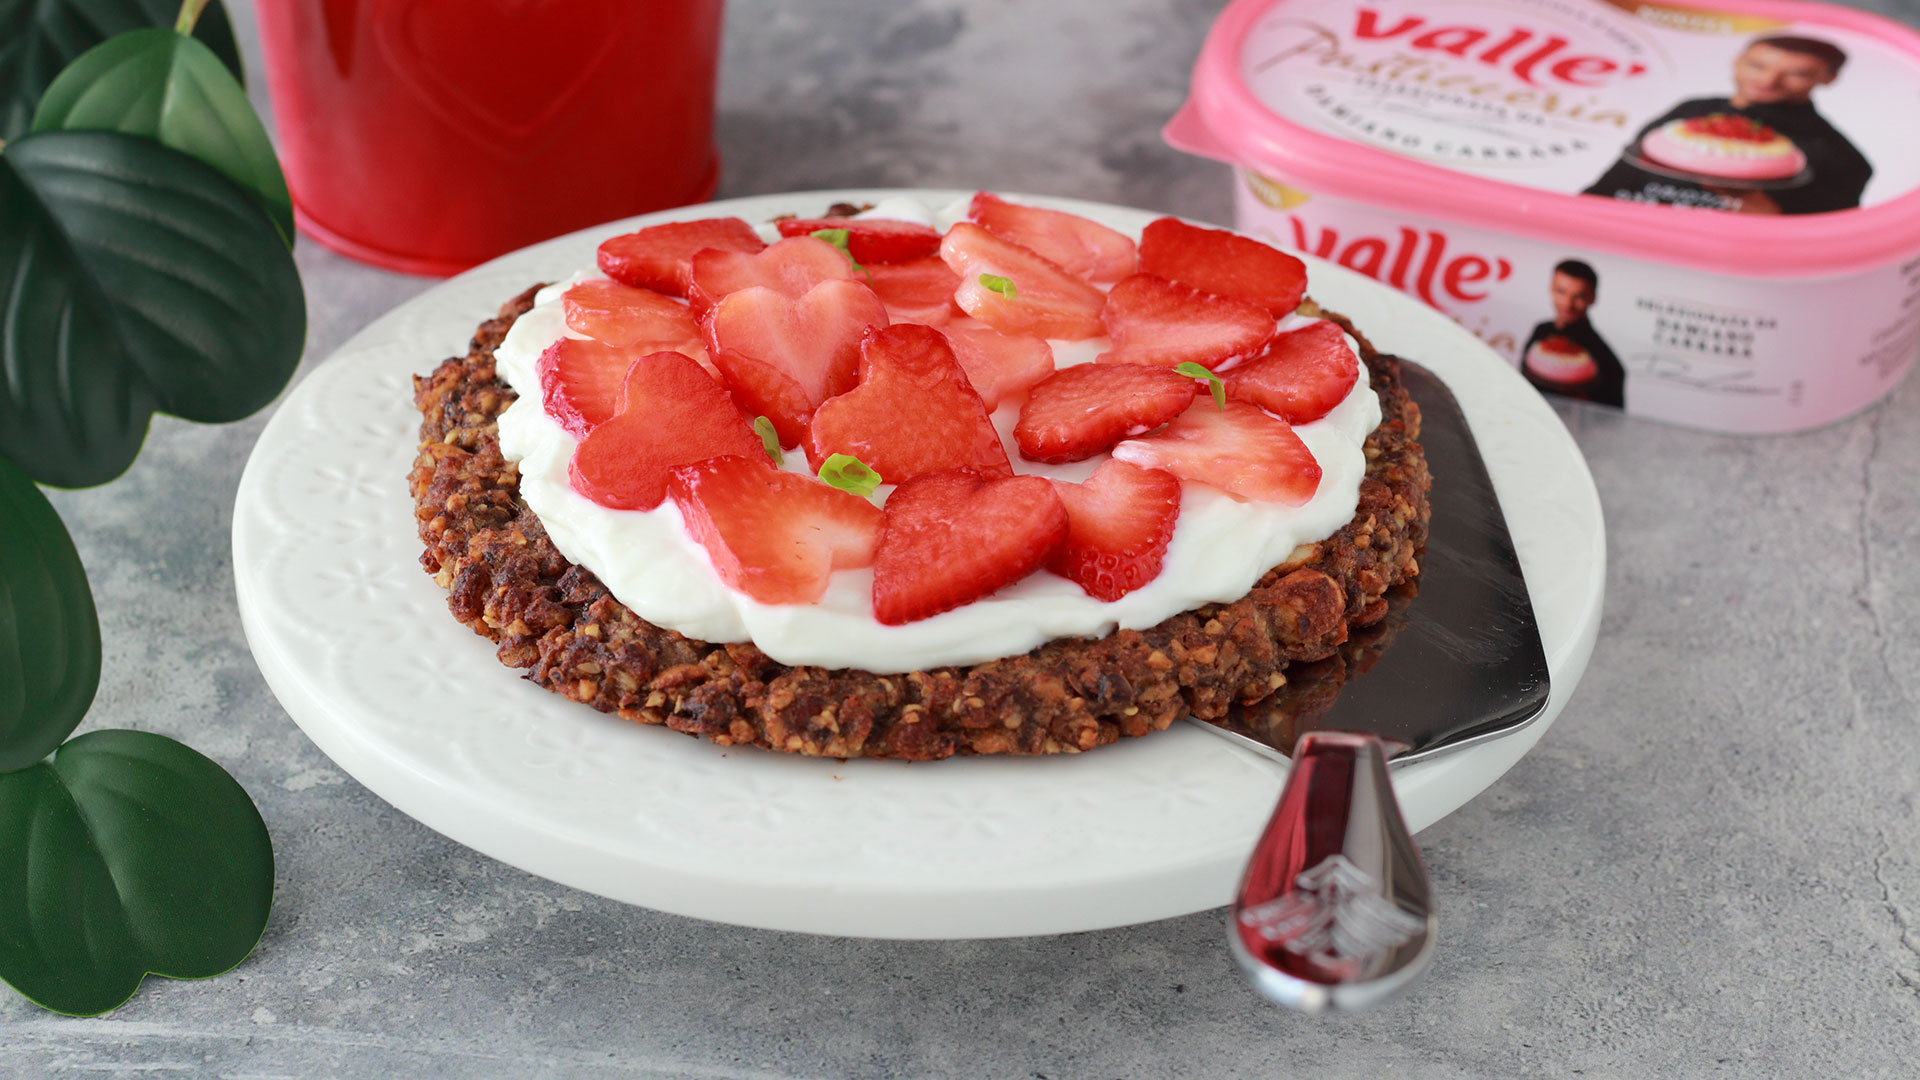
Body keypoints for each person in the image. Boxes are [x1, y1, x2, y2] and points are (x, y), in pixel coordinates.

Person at [1583, 36, 1871, 215]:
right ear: (1737, 62)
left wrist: (1763, 209)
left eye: (1796, 73)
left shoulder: (1838, 155)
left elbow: (1819, 243)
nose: (1768, 81)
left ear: (1828, 79)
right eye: (1758, 66)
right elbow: (1616, 181)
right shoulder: (1691, 110)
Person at [1521, 261, 1625, 408]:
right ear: (1551, 288)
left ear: (1592, 298)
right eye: (1561, 291)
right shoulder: (1541, 331)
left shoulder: (1606, 361)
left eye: (1579, 296)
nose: (1567, 304)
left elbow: (1609, 420)